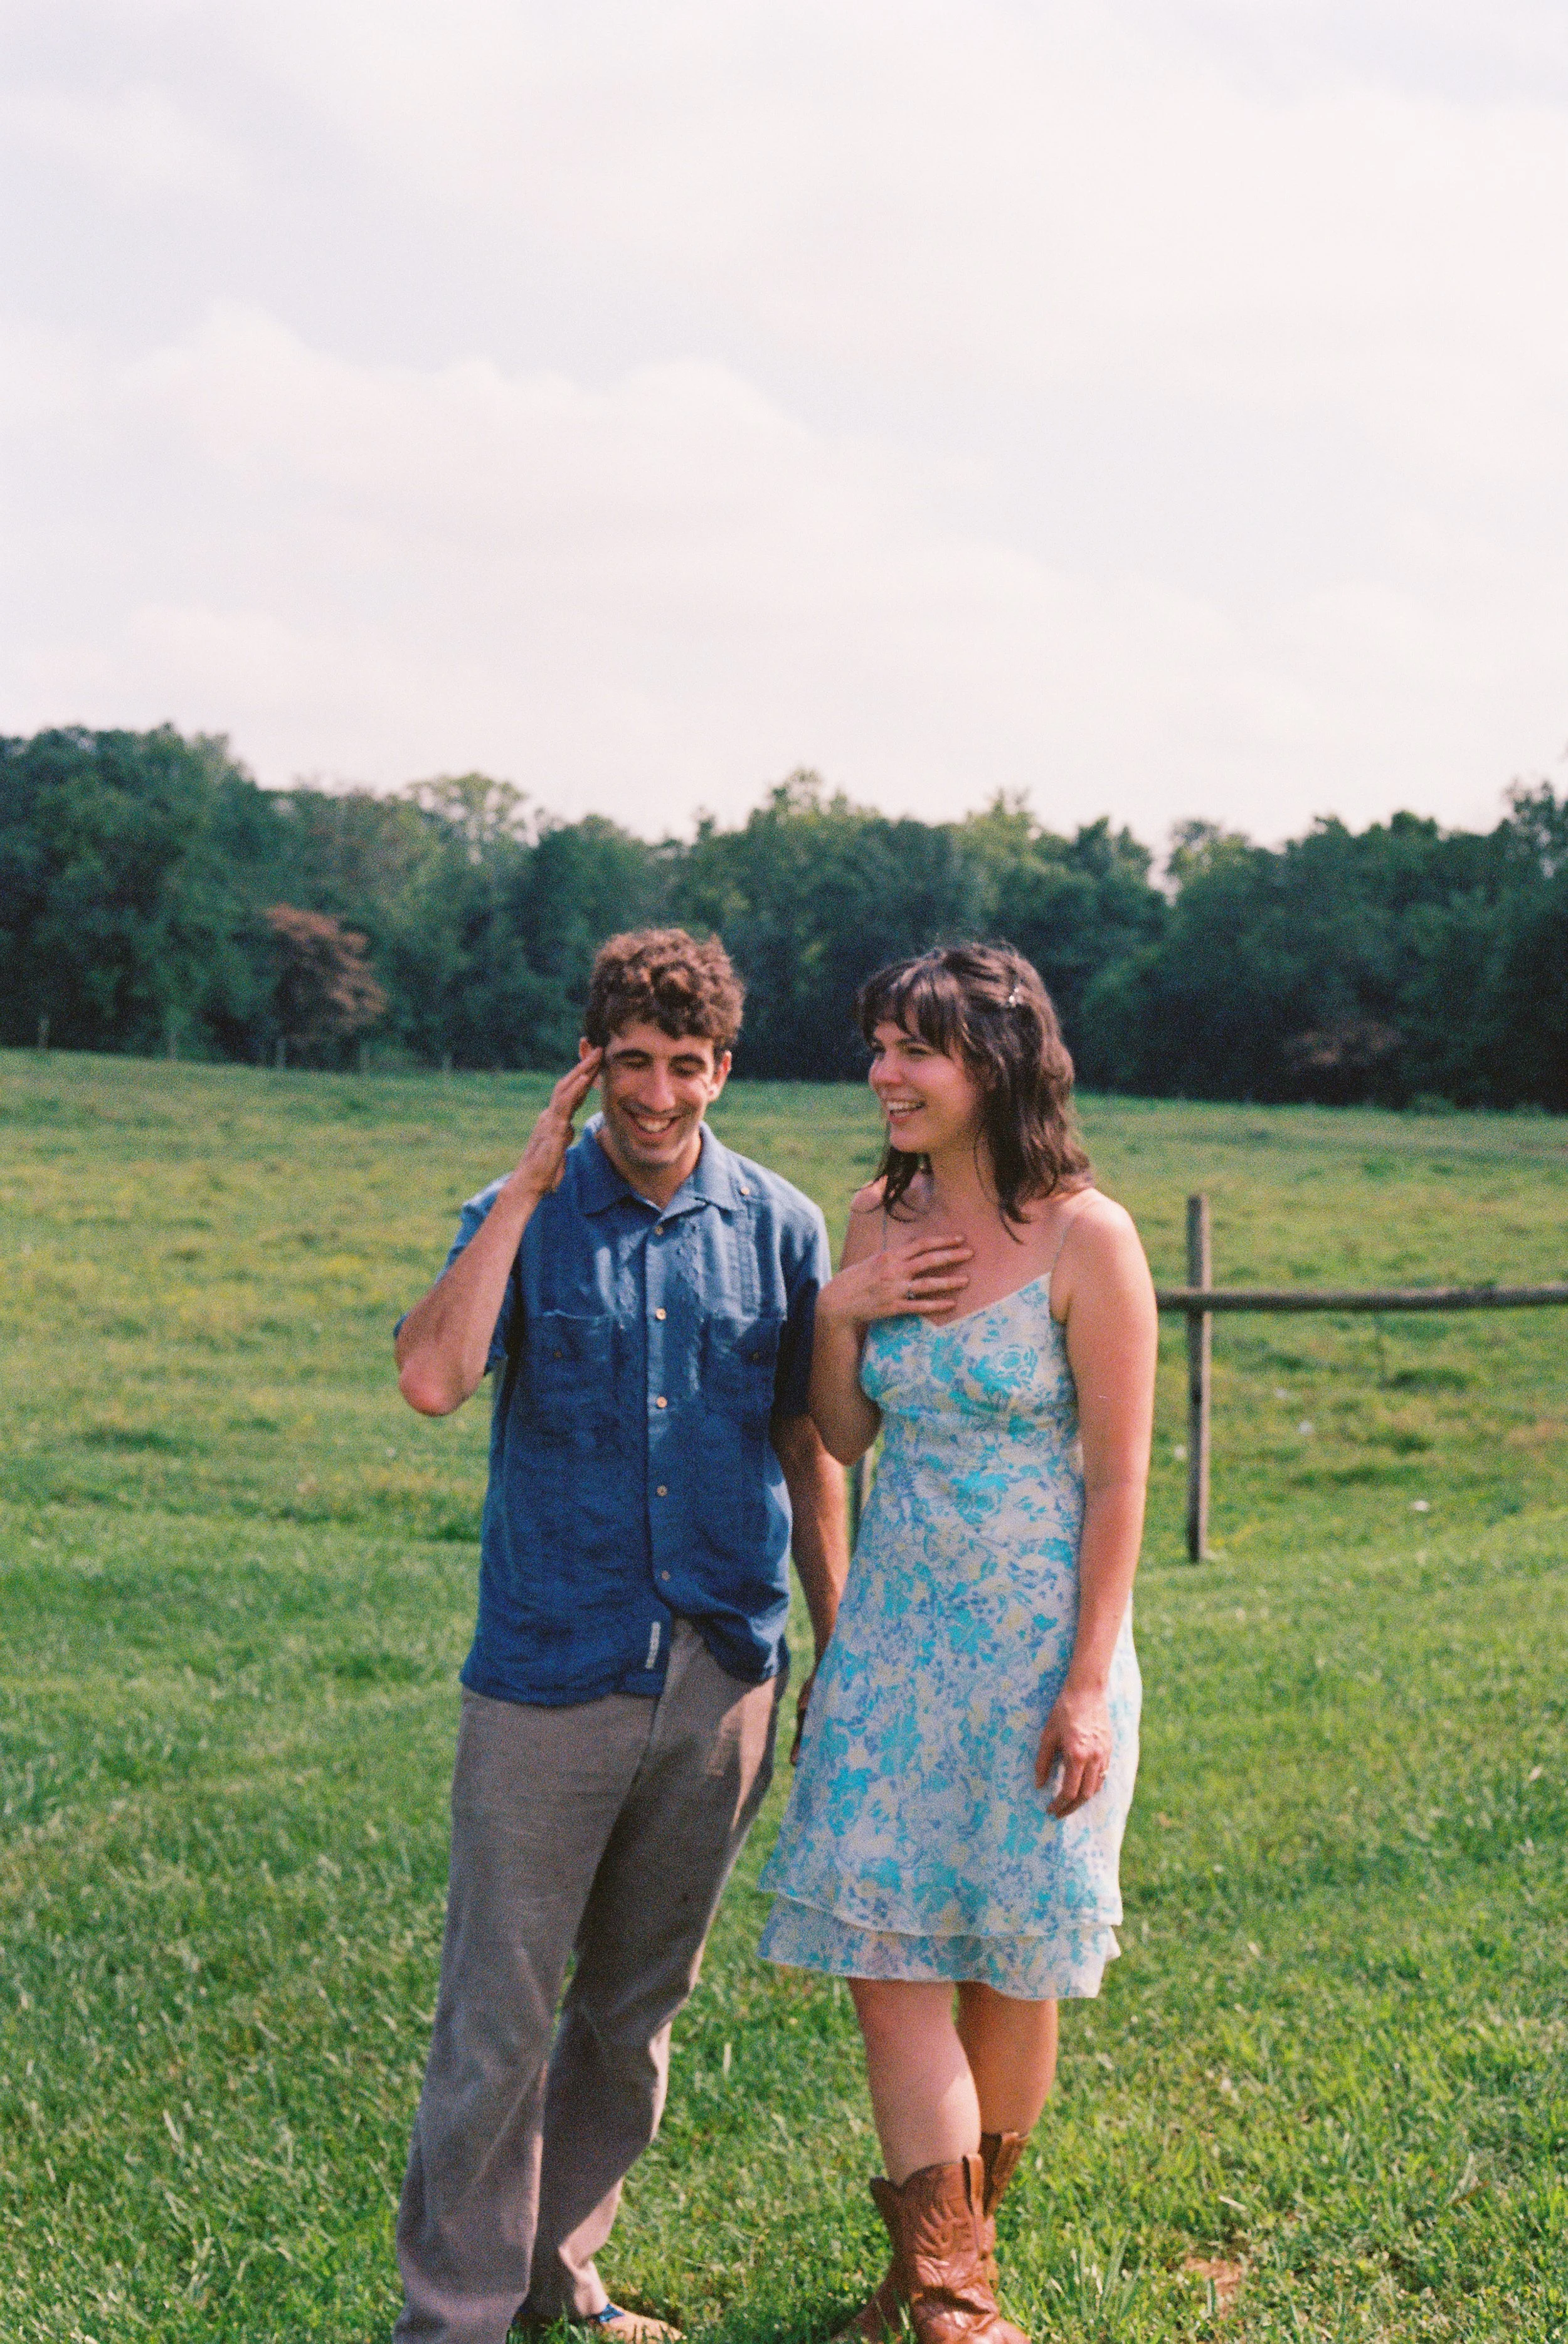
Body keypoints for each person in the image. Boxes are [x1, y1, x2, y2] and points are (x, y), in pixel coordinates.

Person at [392, 928, 848, 2344]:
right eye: (630, 1064)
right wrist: (526, 1190)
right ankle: (454, 2316)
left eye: (686, 1066)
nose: (657, 1096)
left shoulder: (779, 1224)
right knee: (497, 2023)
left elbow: (808, 1439)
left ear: (726, 1067)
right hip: (549, 1672)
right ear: (591, 1062)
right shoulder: (519, 1208)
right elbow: (430, 1376)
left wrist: (845, 1642)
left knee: (632, 2016)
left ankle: (560, 2277)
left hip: (721, 1674)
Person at [758, 943, 1157, 2344]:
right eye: (875, 1044)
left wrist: (1084, 1685)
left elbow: (1117, 1479)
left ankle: (936, 2279)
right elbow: (848, 1430)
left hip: (1039, 1650)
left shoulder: (1084, 1235)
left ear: (992, 1063)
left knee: (1010, 1958)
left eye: (912, 1047)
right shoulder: (875, 1209)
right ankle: (950, 2295)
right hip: (890, 1640)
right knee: (888, 1956)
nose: (882, 1073)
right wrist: (839, 1309)